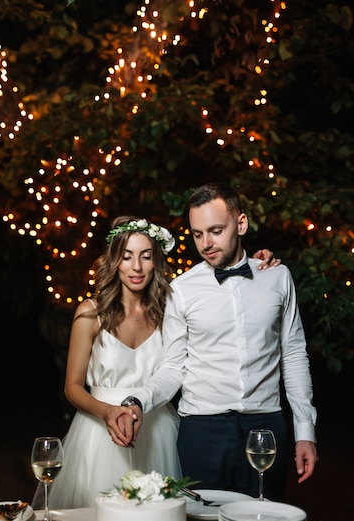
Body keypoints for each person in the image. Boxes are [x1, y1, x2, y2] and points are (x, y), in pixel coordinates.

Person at [34, 214, 278, 509]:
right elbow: (72, 388)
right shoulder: (90, 314)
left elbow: (222, 299)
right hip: (98, 433)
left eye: (146, 256)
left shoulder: (171, 311)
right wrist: (109, 412)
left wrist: (258, 265)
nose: (136, 267)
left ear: (156, 262)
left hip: (159, 429)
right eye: (126, 257)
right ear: (114, 261)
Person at [122, 183, 318, 502]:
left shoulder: (277, 277)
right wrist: (138, 401)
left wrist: (305, 432)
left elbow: (294, 355)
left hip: (266, 427)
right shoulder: (181, 290)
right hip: (202, 430)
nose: (206, 243)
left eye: (215, 230)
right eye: (198, 234)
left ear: (240, 224)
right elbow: (173, 367)